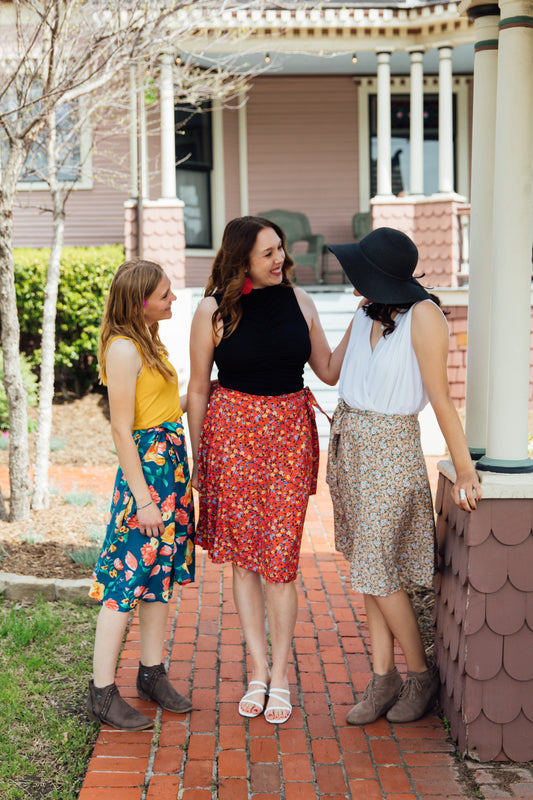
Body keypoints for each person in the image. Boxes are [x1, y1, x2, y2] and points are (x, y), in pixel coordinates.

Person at [187, 215, 352, 724]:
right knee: (243, 560)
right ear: (242, 260)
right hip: (232, 439)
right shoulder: (213, 311)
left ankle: (280, 675)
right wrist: (199, 457)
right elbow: (197, 388)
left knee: (280, 561)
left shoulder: (301, 302)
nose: (280, 258)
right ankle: (257, 669)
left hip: (287, 438)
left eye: (280, 249)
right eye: (268, 253)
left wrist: (360, 321)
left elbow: (326, 369)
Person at [326, 227, 482, 725]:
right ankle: (382, 677)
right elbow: (330, 370)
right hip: (351, 446)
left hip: (391, 452)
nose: (354, 286)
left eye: (362, 277)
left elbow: (441, 398)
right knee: (372, 573)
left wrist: (464, 469)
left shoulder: (426, 317)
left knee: (377, 570)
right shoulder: (365, 311)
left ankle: (419, 674)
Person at [87, 259, 195, 731]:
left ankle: (151, 674)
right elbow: (121, 429)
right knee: (124, 584)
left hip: (169, 471)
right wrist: (145, 499)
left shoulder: (148, 340)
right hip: (146, 479)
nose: (173, 300)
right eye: (166, 294)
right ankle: (101, 692)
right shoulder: (124, 349)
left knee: (158, 578)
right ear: (141, 302)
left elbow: (165, 409)